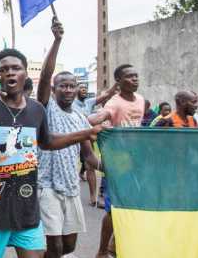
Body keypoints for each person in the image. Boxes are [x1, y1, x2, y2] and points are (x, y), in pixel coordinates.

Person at [0, 48, 107, 258]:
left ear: (25, 74)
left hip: (26, 210)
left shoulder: (36, 109)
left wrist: (86, 133)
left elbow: (47, 142)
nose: (10, 72)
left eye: (16, 68)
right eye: (4, 69)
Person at [35, 19, 102, 258]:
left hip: (71, 188)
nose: (68, 89)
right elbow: (44, 76)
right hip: (47, 187)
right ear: (54, 90)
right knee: (55, 248)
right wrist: (57, 41)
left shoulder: (81, 117)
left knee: (70, 247)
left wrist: (109, 168)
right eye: (62, 85)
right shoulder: (46, 108)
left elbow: (88, 156)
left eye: (72, 86)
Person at [88, 64, 145, 258]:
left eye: (136, 76)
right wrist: (96, 118)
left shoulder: (141, 100)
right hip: (118, 162)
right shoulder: (114, 102)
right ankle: (102, 251)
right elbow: (100, 117)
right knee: (114, 209)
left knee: (131, 206)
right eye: (130, 77)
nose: (135, 79)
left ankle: (115, 246)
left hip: (137, 161)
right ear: (119, 82)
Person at [72, 83, 116, 206]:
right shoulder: (70, 102)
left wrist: (116, 84)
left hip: (87, 137)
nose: (84, 90)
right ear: (76, 90)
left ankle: (93, 199)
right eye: (81, 88)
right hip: (72, 138)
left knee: (89, 165)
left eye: (85, 88)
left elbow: (107, 94)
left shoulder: (89, 102)